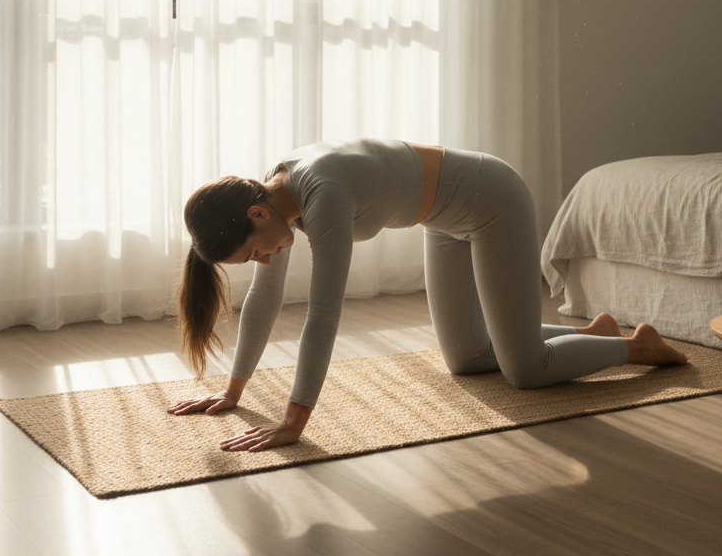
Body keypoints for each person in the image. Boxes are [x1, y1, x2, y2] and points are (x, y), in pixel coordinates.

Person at [167, 139, 688, 451]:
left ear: (256, 215)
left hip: (492, 200)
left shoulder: (321, 199)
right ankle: (587, 335)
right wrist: (233, 393)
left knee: (524, 371)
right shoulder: (274, 199)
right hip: (442, 220)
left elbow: (323, 315)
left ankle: (636, 346)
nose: (263, 261)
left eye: (253, 253)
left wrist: (292, 421)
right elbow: (265, 299)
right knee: (466, 359)